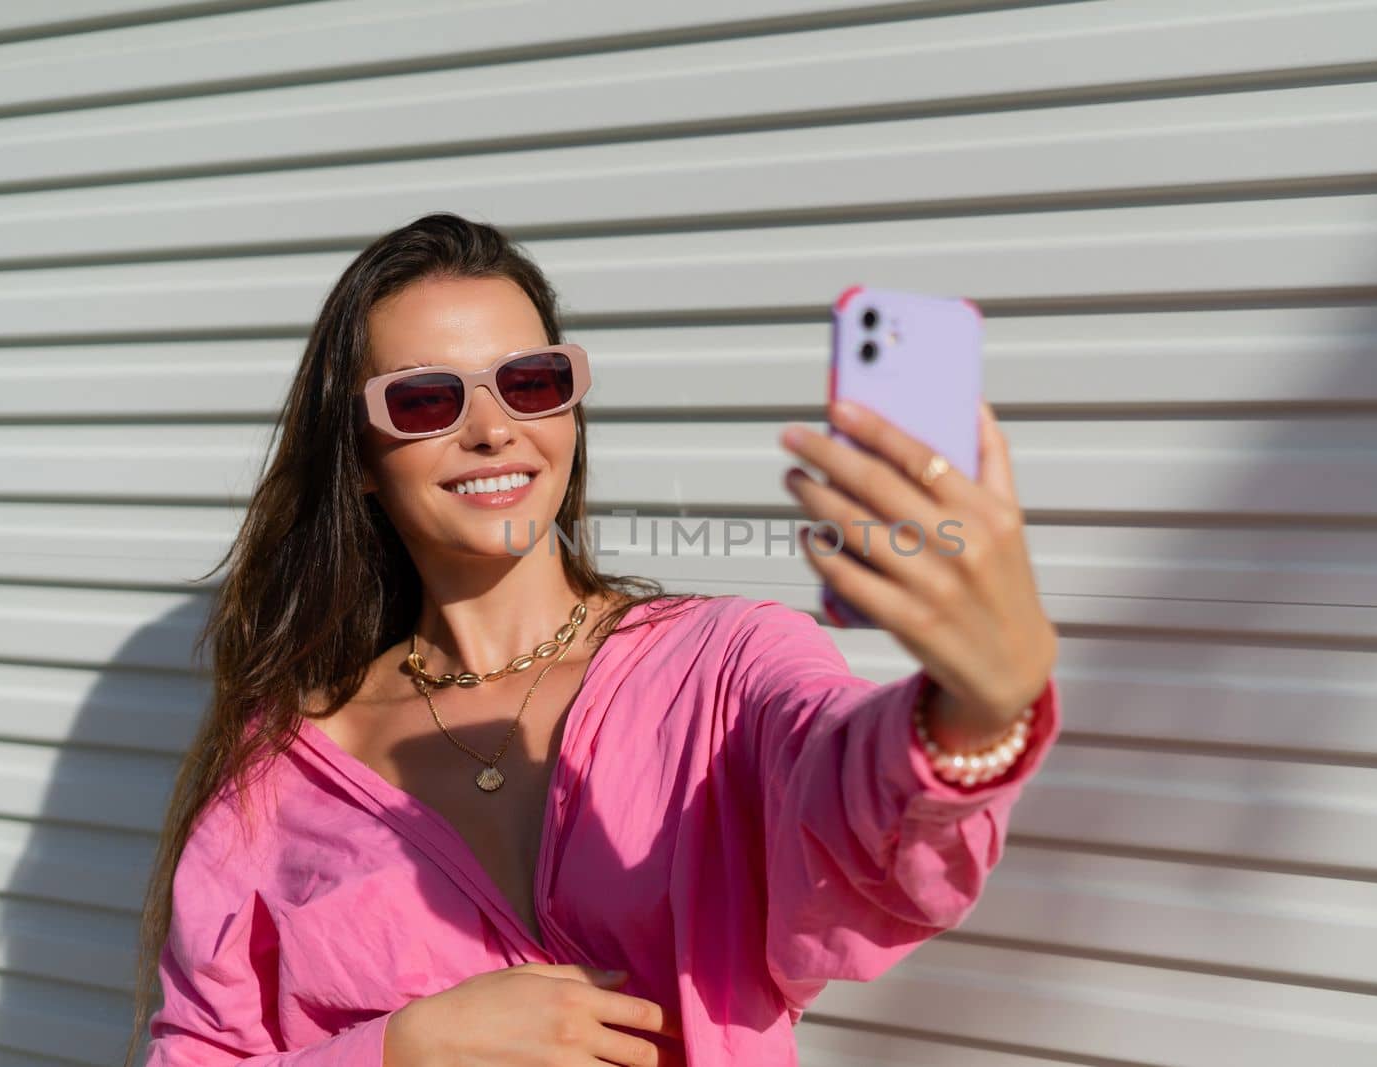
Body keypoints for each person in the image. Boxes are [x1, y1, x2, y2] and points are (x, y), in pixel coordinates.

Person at [125, 213, 1060, 1066]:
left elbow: (865, 807)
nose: (494, 429)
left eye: (531, 383)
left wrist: (979, 709)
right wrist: (405, 1052)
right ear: (361, 462)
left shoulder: (724, 667)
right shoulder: (281, 770)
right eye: (424, 401)